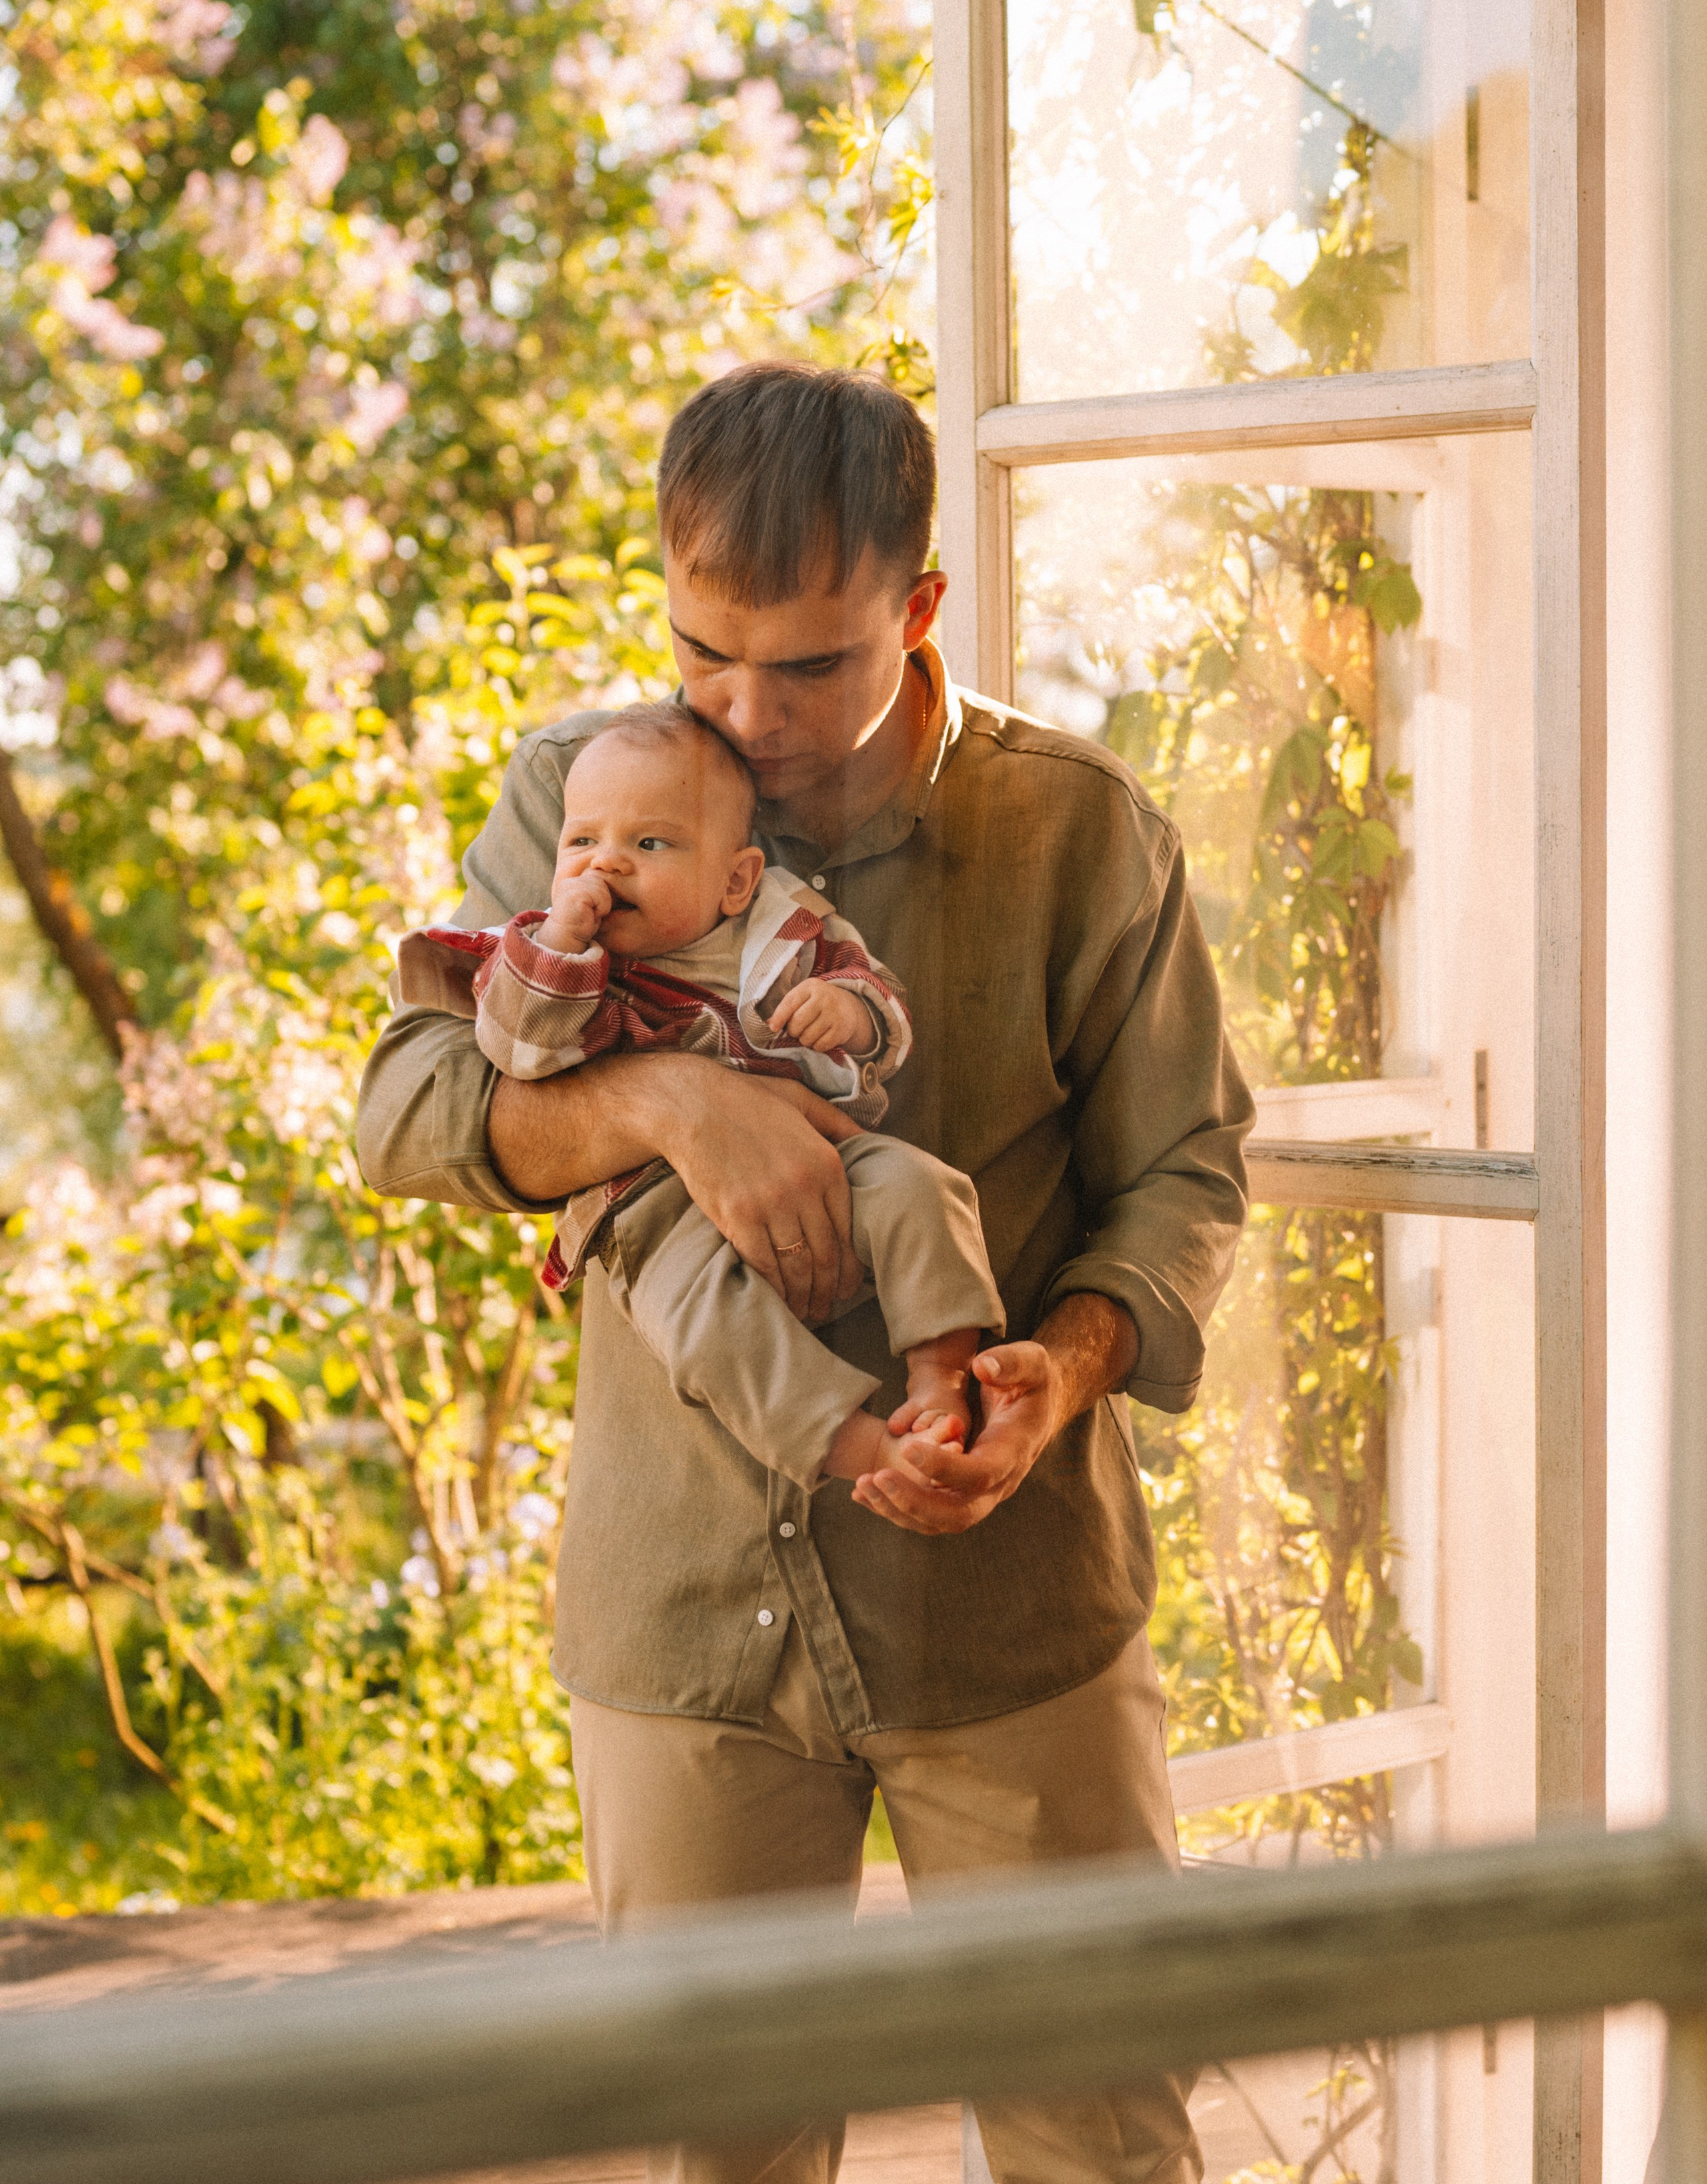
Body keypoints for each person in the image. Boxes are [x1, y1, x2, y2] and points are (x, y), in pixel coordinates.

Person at [357, 361, 1255, 2184]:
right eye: (703, 652)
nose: (746, 716)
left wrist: (1061, 1377)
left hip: (1013, 1615)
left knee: (1104, 2151)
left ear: (918, 609)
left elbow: (1185, 1174)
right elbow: (407, 1114)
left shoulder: (1083, 828)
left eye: (810, 666)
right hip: (680, 1617)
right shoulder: (580, 795)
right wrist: (671, 1102)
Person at [395, 702, 1004, 1490]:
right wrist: (560, 946)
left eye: (649, 844)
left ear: (736, 880)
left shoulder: (782, 931)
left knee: (924, 1187)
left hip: (824, 1157)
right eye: (581, 842)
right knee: (707, 1326)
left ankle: (940, 1376)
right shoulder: (555, 957)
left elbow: (881, 1002)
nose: (606, 865)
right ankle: (859, 1450)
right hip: (655, 1207)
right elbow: (516, 1049)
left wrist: (851, 1012)